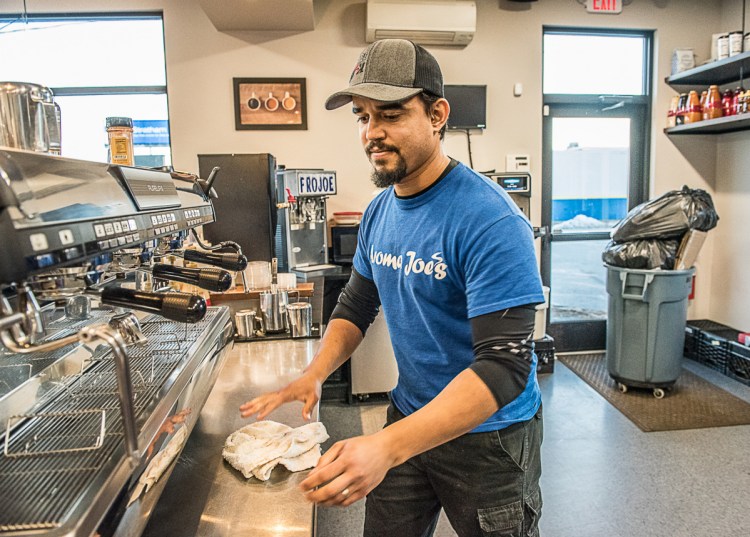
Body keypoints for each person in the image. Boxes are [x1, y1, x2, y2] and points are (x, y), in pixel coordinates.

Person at [240, 38, 545, 537]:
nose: (372, 133)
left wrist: (387, 446)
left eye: (391, 114)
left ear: (438, 114)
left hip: (489, 441)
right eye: (362, 116)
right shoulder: (380, 211)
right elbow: (357, 304)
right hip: (409, 414)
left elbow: (505, 365)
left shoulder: (489, 220)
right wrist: (316, 373)